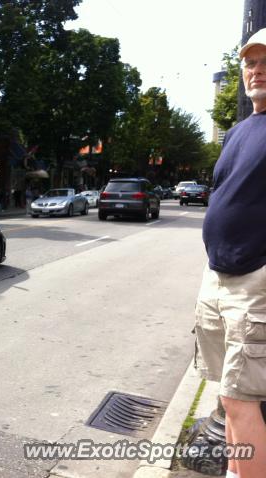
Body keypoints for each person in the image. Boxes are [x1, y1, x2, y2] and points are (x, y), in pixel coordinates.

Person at [194, 28, 266, 478]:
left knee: (242, 402)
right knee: (227, 396)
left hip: (255, 281)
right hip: (217, 277)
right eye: (251, 63)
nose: (257, 71)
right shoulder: (239, 131)